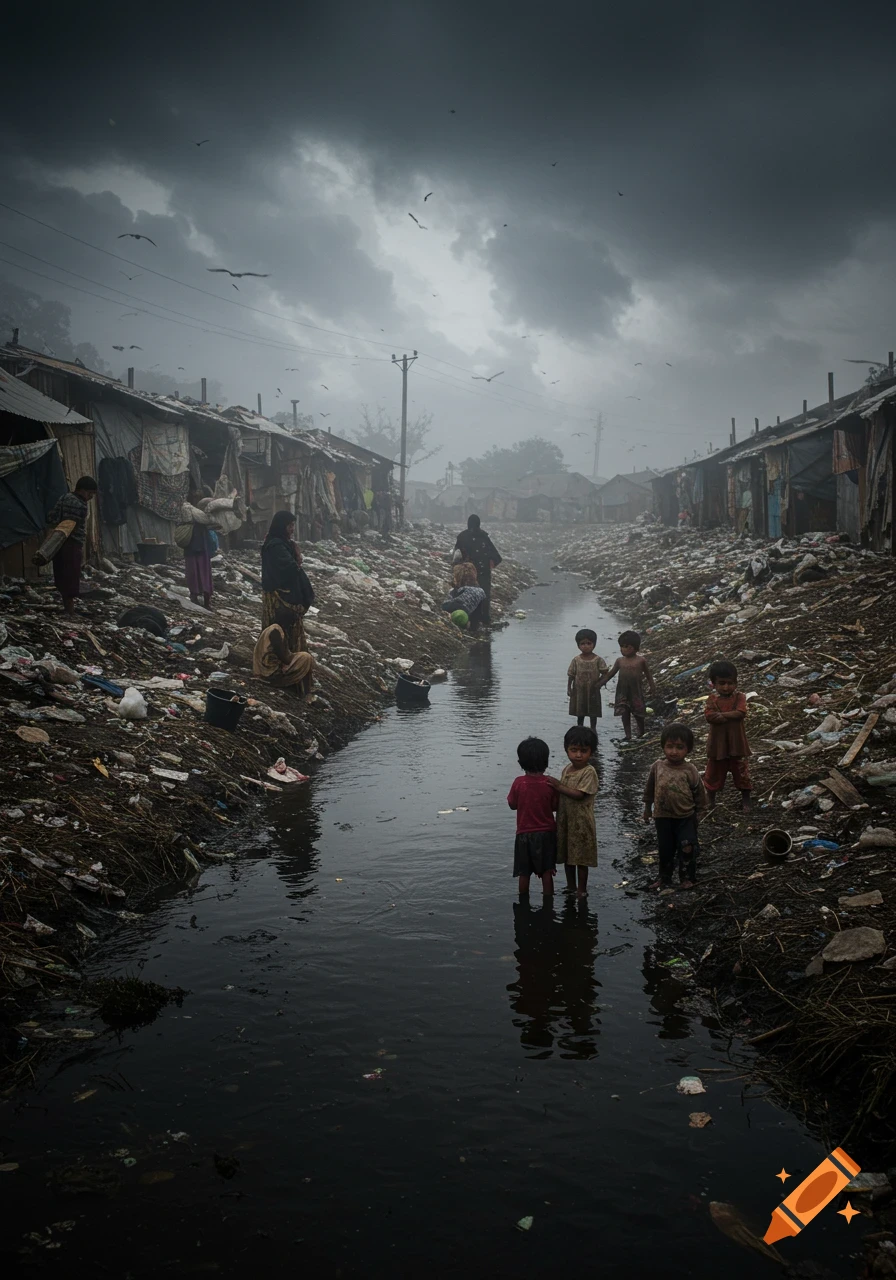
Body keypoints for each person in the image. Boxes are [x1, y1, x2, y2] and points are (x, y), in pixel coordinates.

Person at [643, 723, 708, 891]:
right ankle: (664, 878)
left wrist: (700, 812)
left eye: (680, 747)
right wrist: (647, 809)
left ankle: (687, 877)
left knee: (687, 847)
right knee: (665, 848)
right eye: (670, 747)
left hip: (685, 817)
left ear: (688, 749)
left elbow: (699, 792)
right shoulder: (657, 767)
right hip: (662, 816)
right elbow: (650, 789)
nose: (674, 751)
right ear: (663, 746)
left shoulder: (690, 770)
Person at [550, 726, 599, 898]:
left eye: (583, 751)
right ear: (566, 750)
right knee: (568, 855)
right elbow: (561, 796)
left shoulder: (589, 772)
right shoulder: (567, 769)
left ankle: (582, 889)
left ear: (591, 752)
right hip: (566, 821)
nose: (578, 755)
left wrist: (558, 786)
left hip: (581, 823)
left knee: (581, 858)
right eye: (574, 750)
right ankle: (571, 886)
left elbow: (579, 795)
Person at [507, 737, 558, 897]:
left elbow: (512, 805)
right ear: (546, 761)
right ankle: (548, 904)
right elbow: (556, 806)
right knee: (547, 872)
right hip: (547, 834)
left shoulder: (519, 783)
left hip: (524, 834)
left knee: (524, 872)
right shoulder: (550, 783)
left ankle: (523, 904)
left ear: (520, 762)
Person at [261, 510, 315, 652]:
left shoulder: (281, 543)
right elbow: (289, 568)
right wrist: (297, 558)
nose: (292, 529)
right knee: (280, 630)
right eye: (290, 525)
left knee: (286, 630)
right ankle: (281, 660)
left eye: (293, 525)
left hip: (283, 595)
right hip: (280, 597)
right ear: (281, 526)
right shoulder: (276, 546)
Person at [703, 659, 752, 811]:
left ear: (736, 683)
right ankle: (710, 800)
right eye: (722, 683)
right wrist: (729, 715)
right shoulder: (712, 700)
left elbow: (741, 712)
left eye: (730, 683)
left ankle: (746, 800)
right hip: (718, 745)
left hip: (736, 743)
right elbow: (709, 716)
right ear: (714, 684)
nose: (726, 687)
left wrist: (722, 716)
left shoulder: (740, 697)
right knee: (713, 772)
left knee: (741, 772)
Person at [45, 476, 97, 616]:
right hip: (71, 543)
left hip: (59, 542)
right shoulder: (79, 503)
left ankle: (67, 607)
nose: (91, 496)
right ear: (82, 490)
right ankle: (70, 611)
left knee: (62, 575)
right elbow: (73, 524)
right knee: (70, 576)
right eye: (90, 493)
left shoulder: (64, 497)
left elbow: (51, 517)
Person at [599, 630, 656, 741]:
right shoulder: (620, 661)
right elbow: (611, 674)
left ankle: (641, 732)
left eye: (626, 646)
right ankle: (628, 735)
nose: (623, 649)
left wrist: (652, 687)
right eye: (621, 646)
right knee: (624, 713)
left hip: (636, 691)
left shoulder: (641, 661)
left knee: (638, 713)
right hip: (622, 691)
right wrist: (600, 684)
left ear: (634, 647)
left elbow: (649, 676)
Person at [253, 609, 314, 696]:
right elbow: (285, 658)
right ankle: (305, 693)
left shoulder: (274, 628)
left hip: (264, 667)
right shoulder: (275, 632)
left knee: (303, 656)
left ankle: (305, 691)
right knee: (306, 657)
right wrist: (294, 659)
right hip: (268, 672)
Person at [454, 515, 502, 622]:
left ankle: (469, 616)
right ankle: (484, 617)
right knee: (484, 593)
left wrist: (458, 567)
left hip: (467, 572)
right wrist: (490, 563)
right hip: (483, 570)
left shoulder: (462, 536)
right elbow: (495, 556)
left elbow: (457, 556)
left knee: (466, 593)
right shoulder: (483, 536)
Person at [181, 489, 217, 610]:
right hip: (200, 548)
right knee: (203, 574)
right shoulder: (199, 516)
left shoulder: (192, 515)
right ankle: (204, 600)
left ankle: (197, 597)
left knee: (194, 573)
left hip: (194, 548)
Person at [567, 628, 609, 731]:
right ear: (578, 645)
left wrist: (600, 683)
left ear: (594, 644)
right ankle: (580, 728)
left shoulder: (598, 660)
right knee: (580, 711)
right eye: (582, 644)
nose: (586, 646)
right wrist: (569, 688)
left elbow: (605, 674)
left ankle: (593, 729)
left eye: (589, 643)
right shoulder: (576, 660)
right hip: (579, 690)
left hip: (593, 690)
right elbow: (571, 675)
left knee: (593, 711)